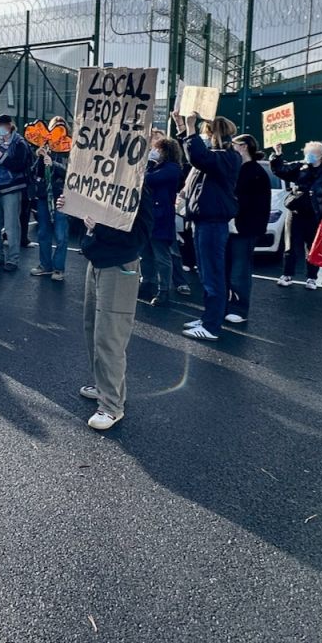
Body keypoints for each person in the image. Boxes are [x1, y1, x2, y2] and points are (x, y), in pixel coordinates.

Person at [57, 188, 153, 431]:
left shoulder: (138, 188)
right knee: (93, 329)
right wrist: (72, 209)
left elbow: (137, 237)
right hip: (97, 263)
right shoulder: (104, 185)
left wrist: (97, 227)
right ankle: (105, 387)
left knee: (110, 335)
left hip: (119, 266)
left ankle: (111, 405)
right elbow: (90, 224)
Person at [176, 113, 241, 342]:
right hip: (204, 221)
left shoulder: (226, 158)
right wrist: (184, 128)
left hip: (213, 223)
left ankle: (212, 325)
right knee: (206, 273)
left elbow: (198, 157)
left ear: (215, 135)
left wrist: (190, 129)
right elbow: (197, 156)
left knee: (213, 274)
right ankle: (208, 318)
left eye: (207, 134)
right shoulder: (219, 157)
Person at [270, 140, 322, 290]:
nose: (309, 155)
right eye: (308, 152)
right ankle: (287, 275)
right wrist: (277, 155)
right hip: (295, 213)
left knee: (313, 248)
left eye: (314, 153)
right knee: (290, 245)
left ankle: (311, 278)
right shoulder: (299, 167)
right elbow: (281, 170)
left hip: (315, 216)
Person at [225, 134, 272, 324]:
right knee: (229, 269)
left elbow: (254, 204)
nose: (230, 149)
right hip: (234, 227)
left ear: (244, 147)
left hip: (245, 229)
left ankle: (240, 308)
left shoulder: (255, 172)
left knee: (239, 270)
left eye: (233, 145)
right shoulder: (240, 169)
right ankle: (230, 305)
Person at [139, 136, 182, 306]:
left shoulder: (172, 168)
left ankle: (163, 290)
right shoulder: (161, 167)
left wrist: (149, 164)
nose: (155, 151)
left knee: (161, 256)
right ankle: (147, 283)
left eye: (158, 149)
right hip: (149, 217)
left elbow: (148, 179)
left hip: (161, 218)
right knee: (146, 254)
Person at [0, 114, 30, 271]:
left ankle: (13, 259)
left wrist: (1, 156)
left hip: (12, 188)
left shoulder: (19, 144)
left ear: (10, 125)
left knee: (11, 227)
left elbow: (19, 165)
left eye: (2, 125)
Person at [29, 117, 70, 281]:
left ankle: (59, 268)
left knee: (61, 234)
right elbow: (34, 172)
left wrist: (53, 164)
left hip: (61, 196)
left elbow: (70, 173)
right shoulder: (45, 148)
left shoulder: (69, 149)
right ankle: (45, 265)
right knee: (43, 232)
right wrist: (39, 158)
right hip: (44, 196)